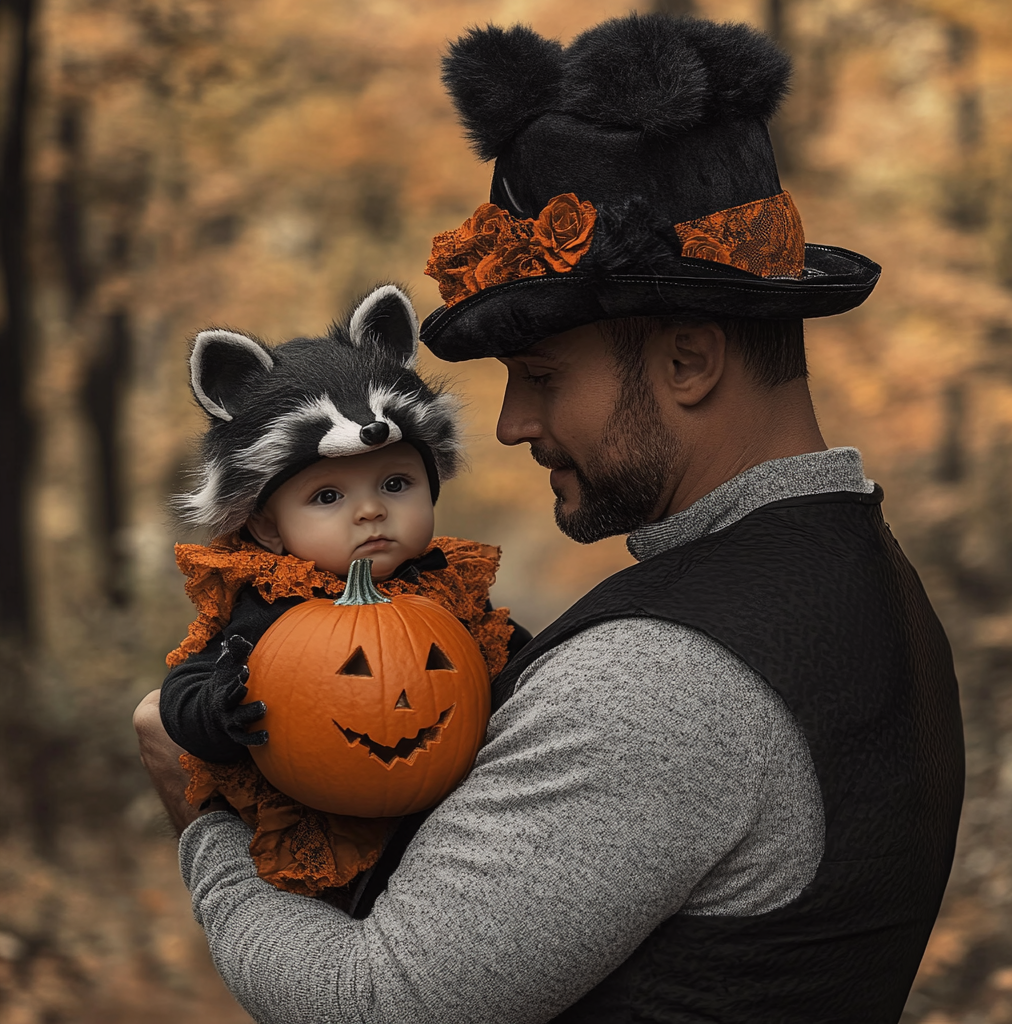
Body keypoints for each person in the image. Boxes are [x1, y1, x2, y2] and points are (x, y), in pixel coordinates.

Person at [134, 13, 965, 1023]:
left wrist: (203, 820)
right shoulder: (863, 569)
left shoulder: (664, 678)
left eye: (539, 375)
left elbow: (374, 1001)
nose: (516, 422)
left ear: (689, 360)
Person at [158, 283, 529, 900]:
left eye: (395, 482)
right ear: (265, 524)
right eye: (328, 497)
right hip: (328, 847)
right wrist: (218, 712)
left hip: (465, 834)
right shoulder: (267, 608)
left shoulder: (450, 591)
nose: (370, 512)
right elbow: (183, 690)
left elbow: (516, 659)